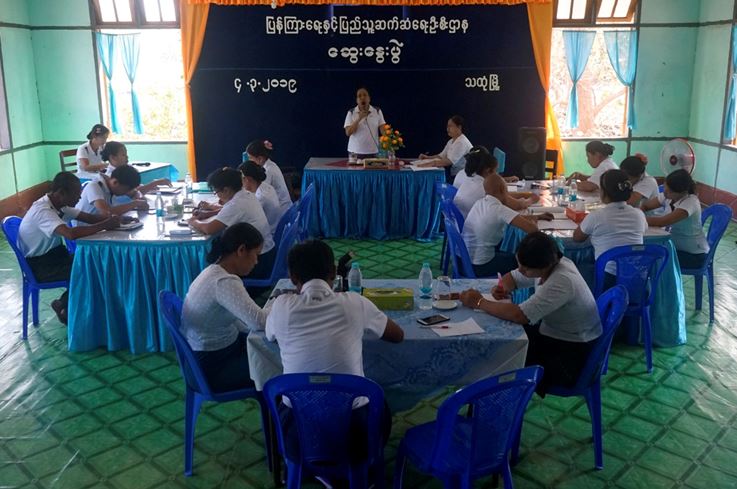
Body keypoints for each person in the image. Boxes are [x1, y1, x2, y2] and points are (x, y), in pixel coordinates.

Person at [265, 239, 403, 463]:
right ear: (334, 272)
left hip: (298, 435)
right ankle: (360, 467)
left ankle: (308, 467)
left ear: (292, 277)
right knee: (380, 402)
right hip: (355, 433)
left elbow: (270, 336)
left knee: (283, 404)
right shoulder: (355, 303)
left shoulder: (281, 306)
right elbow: (397, 336)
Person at [459, 232, 601, 395]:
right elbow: (514, 277)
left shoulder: (561, 281)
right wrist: (503, 287)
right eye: (519, 263)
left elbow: (520, 316)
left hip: (570, 357)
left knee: (498, 357)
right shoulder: (550, 262)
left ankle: (495, 402)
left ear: (544, 266)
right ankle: (485, 397)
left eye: (526, 268)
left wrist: (479, 302)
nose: (521, 270)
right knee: (498, 342)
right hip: (554, 335)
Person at [18, 172, 120, 324]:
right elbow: (71, 234)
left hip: (56, 257)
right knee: (91, 269)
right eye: (76, 193)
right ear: (61, 193)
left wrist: (118, 219)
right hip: (41, 266)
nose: (79, 197)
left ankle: (66, 305)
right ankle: (68, 307)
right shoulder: (43, 211)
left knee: (95, 261)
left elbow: (90, 218)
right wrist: (105, 225)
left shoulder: (59, 205)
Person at [180, 222, 268, 392]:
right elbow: (259, 322)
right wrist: (280, 306)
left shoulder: (213, 271)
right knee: (275, 366)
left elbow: (241, 319)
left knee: (267, 348)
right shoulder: (224, 282)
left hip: (205, 356)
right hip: (212, 366)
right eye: (256, 255)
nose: (257, 262)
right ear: (241, 250)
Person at [189, 168, 275, 279]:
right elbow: (227, 210)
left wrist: (193, 221)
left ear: (226, 190)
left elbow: (209, 229)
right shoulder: (245, 194)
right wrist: (208, 214)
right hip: (265, 253)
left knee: (217, 255)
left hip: (257, 261)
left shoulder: (236, 204)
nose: (217, 196)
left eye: (216, 192)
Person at [463, 173, 552, 276]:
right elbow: (533, 230)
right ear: (503, 190)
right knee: (527, 262)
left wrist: (538, 217)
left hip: (465, 260)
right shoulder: (500, 209)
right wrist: (533, 223)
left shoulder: (480, 203)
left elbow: (515, 218)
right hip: (480, 266)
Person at [573, 169, 648, 275]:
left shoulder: (596, 216)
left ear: (604, 193)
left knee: (577, 266)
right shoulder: (639, 214)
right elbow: (643, 231)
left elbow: (577, 238)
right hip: (635, 276)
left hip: (607, 276)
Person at [641, 169, 708, 269]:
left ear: (683, 192)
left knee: (650, 259)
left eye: (669, 191)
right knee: (645, 253)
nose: (665, 192)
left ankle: (658, 279)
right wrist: (638, 212)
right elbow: (645, 206)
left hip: (692, 255)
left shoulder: (690, 202)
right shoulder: (668, 196)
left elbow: (662, 222)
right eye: (665, 187)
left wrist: (637, 219)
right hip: (674, 247)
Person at [454, 146, 538, 218]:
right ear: (488, 171)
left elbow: (505, 196)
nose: (497, 175)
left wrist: (526, 194)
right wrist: (532, 199)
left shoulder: (471, 180)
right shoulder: (484, 187)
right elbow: (517, 205)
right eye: (495, 171)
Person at [75, 165, 149, 221]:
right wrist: (135, 203)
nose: (126, 193)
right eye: (126, 190)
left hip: (97, 228)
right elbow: (107, 213)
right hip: (83, 232)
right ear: (115, 182)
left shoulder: (111, 189)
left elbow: (110, 214)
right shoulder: (94, 186)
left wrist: (124, 218)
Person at [101, 141, 171, 195]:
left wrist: (149, 187)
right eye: (123, 155)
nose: (127, 157)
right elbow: (129, 194)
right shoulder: (110, 176)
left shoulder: (127, 170)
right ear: (113, 157)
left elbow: (136, 189)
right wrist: (154, 183)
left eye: (126, 154)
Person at [244, 139, 292, 213]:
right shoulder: (269, 164)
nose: (248, 160)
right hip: (283, 207)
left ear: (260, 159)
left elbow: (256, 193)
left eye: (250, 158)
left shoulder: (267, 171)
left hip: (282, 211)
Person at [240, 161, 283, 237]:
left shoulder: (261, 198)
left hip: (268, 234)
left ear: (247, 179)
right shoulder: (266, 186)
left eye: (241, 179)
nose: (240, 183)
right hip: (274, 228)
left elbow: (245, 217)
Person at [344, 87, 386, 158]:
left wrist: (390, 142)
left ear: (369, 98)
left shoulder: (377, 111)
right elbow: (348, 133)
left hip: (373, 152)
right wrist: (359, 118)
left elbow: (384, 131)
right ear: (357, 100)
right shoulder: (351, 112)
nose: (362, 97)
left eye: (365, 95)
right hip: (355, 152)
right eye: (359, 96)